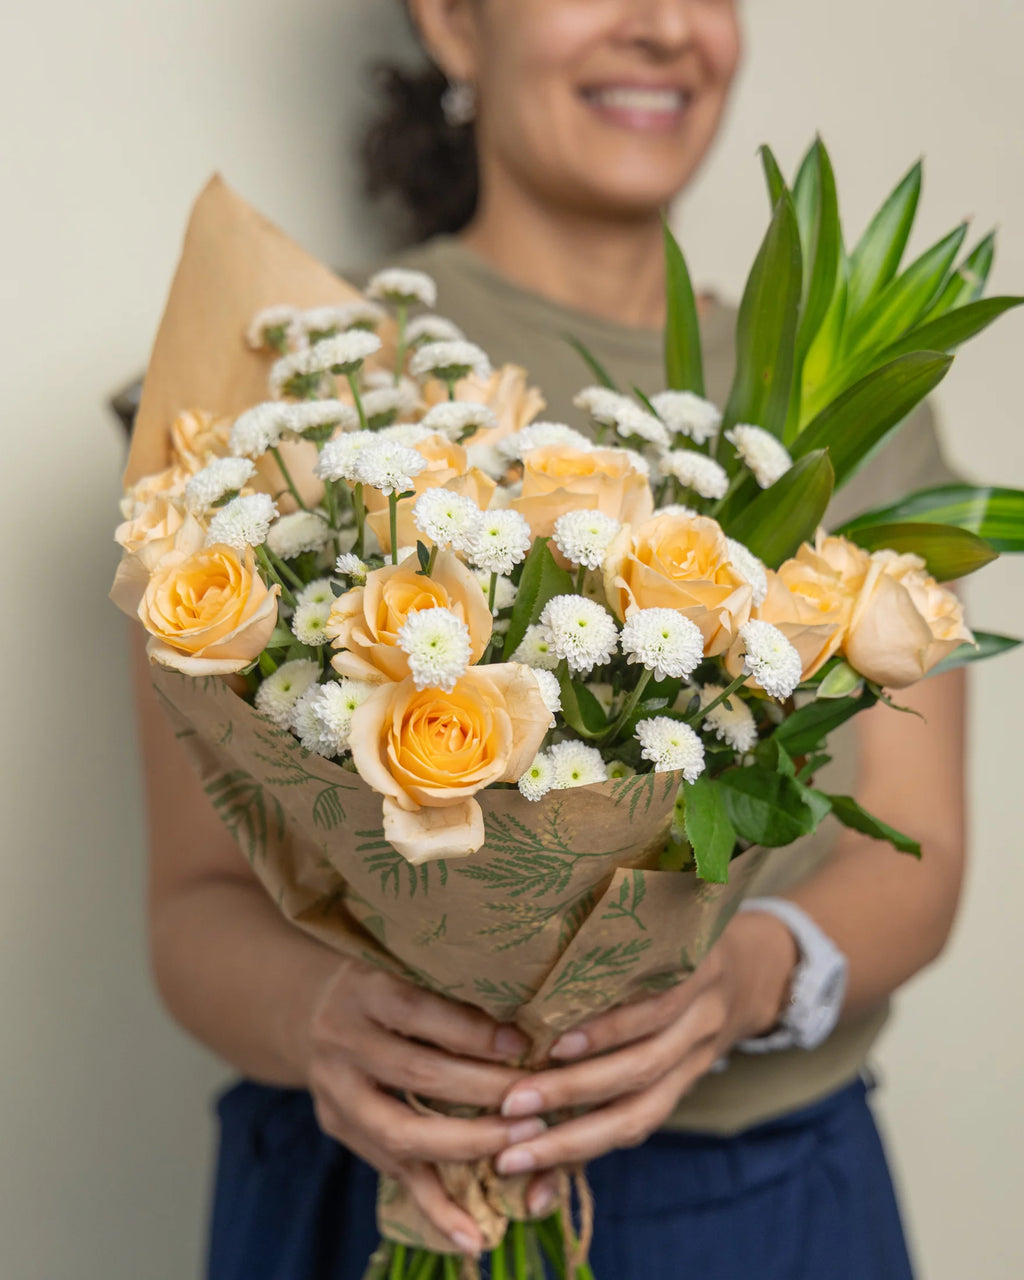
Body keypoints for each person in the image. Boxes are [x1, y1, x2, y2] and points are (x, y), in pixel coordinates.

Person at [134, 3, 966, 1277]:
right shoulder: (291, 382)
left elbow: (921, 856)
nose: (663, 27)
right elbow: (192, 904)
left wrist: (739, 981)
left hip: (754, 1197)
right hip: (361, 1187)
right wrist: (326, 1023)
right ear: (456, 25)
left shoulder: (835, 416)